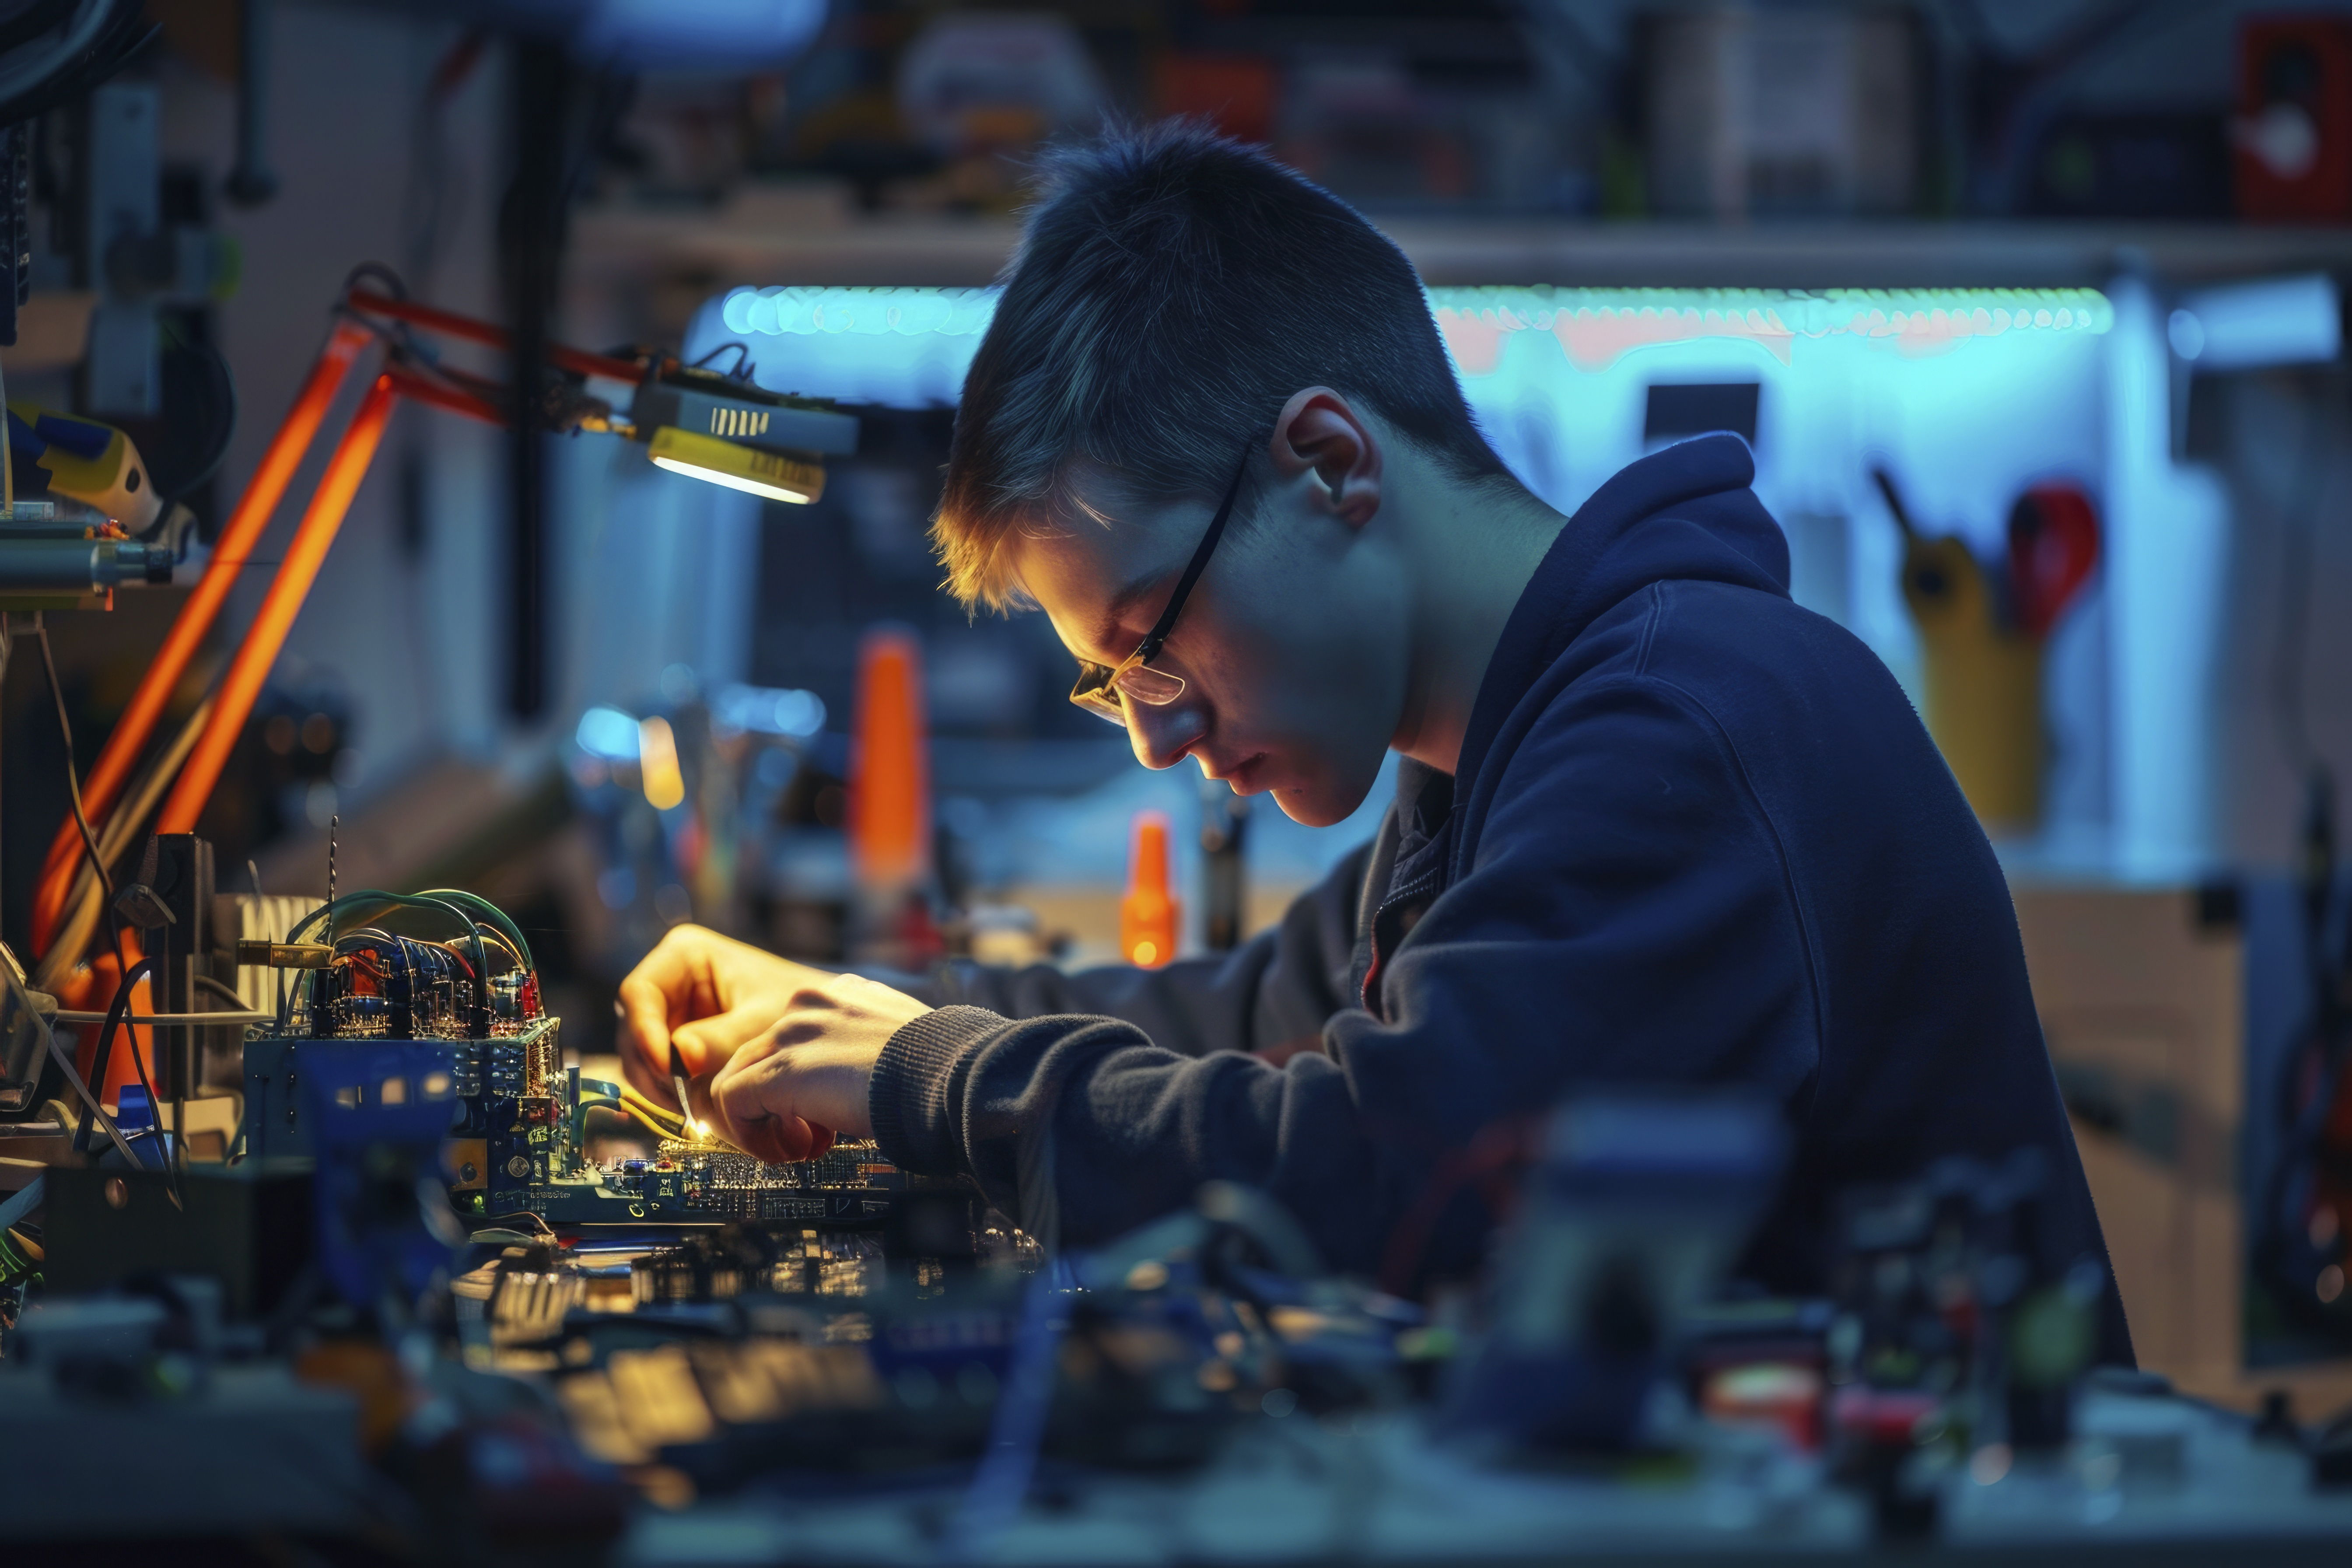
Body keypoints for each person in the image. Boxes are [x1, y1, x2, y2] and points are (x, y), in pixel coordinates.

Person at [620, 123, 2129, 1356]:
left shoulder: (1682, 729)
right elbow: (1245, 1017)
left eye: (1150, 643)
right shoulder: (1495, 754)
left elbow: (1390, 1173)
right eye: (1114, 682)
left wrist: (938, 1076)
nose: (1158, 739)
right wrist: (858, 1010)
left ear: (1329, 465)